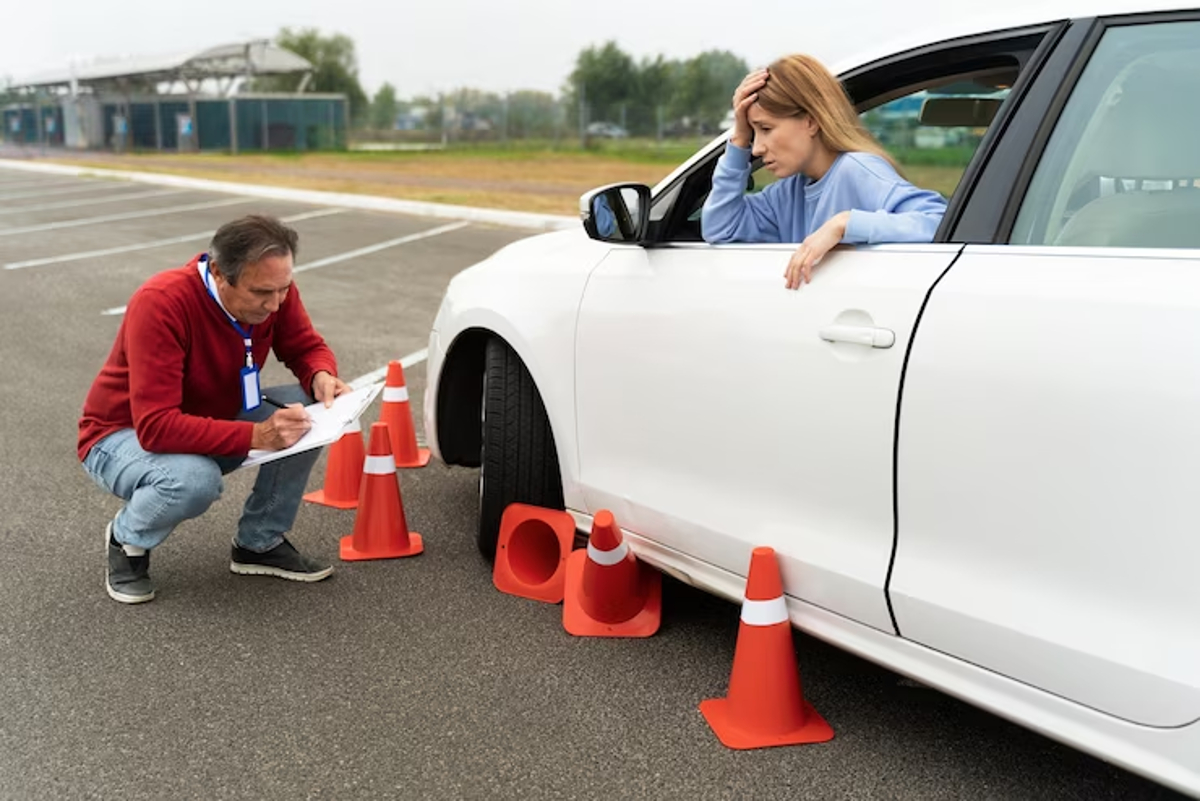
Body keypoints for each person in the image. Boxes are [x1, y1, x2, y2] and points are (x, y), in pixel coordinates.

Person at [78, 214, 351, 604]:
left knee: (307, 410)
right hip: (120, 435)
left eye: (283, 290)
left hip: (212, 416)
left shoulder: (274, 289)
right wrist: (257, 435)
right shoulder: (161, 302)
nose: (275, 304)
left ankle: (259, 543)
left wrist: (321, 375)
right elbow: (156, 427)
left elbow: (305, 347)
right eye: (262, 293)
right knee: (194, 480)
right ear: (221, 274)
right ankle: (128, 541)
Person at [702, 55, 948, 289]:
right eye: (753, 134)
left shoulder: (857, 170)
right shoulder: (785, 193)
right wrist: (739, 137)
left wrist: (844, 224)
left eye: (765, 128)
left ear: (811, 121)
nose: (756, 148)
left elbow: (938, 223)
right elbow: (720, 228)